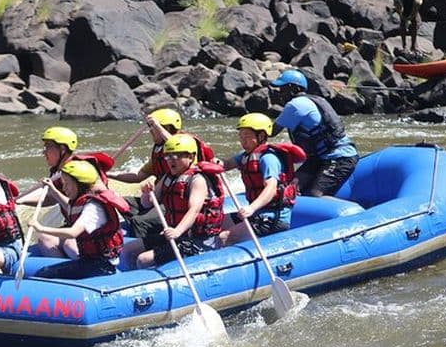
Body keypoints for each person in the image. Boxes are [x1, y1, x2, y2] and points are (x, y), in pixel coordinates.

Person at [121, 134, 225, 269]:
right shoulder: (167, 178)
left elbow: (194, 210)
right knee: (128, 249)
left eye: (178, 155)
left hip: (196, 239)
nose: (171, 160)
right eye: (168, 156)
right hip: (174, 235)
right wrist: (147, 193)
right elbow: (148, 203)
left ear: (190, 157)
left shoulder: (198, 180)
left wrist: (177, 231)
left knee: (143, 259)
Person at [108, 108, 214, 238]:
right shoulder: (161, 154)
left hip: (175, 202)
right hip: (159, 198)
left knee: (139, 222)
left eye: (155, 129)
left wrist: (157, 126)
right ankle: (147, 228)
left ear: (168, 128)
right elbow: (138, 177)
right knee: (120, 202)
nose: (151, 131)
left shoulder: (187, 148)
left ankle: (144, 232)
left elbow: (177, 144)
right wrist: (109, 174)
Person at [18, 126, 113, 258]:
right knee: (45, 238)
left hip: (93, 227)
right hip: (74, 226)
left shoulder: (83, 171)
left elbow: (83, 205)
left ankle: (84, 270)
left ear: (62, 149)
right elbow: (50, 198)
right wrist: (20, 201)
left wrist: (53, 191)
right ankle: (62, 271)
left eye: (48, 147)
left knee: (69, 243)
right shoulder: (60, 172)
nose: (43, 152)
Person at [29, 160, 129, 279]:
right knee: (46, 272)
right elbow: (70, 207)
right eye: (63, 183)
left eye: (67, 184)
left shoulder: (94, 208)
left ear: (80, 184)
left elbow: (73, 232)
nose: (64, 188)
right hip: (90, 261)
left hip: (101, 266)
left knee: (45, 274)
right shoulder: (83, 202)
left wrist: (40, 228)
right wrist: (53, 190)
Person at [218, 113, 305, 246]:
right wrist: (211, 161)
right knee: (217, 223)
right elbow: (226, 165)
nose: (243, 141)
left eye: (247, 136)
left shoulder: (268, 158)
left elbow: (271, 188)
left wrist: (251, 208)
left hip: (273, 218)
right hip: (257, 213)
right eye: (241, 136)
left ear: (261, 136)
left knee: (224, 237)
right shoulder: (246, 156)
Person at [270, 69, 358, 197]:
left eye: (282, 89)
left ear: (292, 88)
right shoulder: (311, 100)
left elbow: (271, 132)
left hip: (339, 157)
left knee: (315, 194)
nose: (279, 93)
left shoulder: (295, 105)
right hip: (320, 158)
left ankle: (353, 211)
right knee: (291, 189)